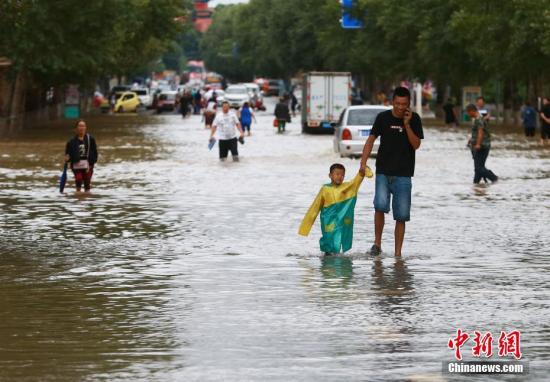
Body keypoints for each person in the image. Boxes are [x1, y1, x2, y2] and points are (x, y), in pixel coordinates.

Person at [359, 86, 424, 257]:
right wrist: (363, 162)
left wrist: (407, 125)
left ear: (409, 103)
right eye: (397, 103)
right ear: (392, 102)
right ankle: (377, 244)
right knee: (379, 206)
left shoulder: (415, 119)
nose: (400, 107)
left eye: (404, 104)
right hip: (383, 172)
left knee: (401, 215)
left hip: (404, 174)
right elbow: (371, 140)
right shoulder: (382, 118)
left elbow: (416, 145)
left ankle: (397, 254)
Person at [299, 163, 373, 255]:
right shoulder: (325, 189)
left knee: (340, 240)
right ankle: (327, 256)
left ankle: (337, 258)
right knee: (328, 239)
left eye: (342, 175)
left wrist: (363, 171)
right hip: (328, 221)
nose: (340, 177)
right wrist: (306, 226)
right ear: (330, 175)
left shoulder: (347, 187)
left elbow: (356, 182)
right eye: (337, 174)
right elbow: (315, 206)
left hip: (342, 221)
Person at [466, 104, 498, 184]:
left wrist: (478, 144)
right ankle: (476, 185)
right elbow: (476, 133)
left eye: (468, 112)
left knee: (479, 168)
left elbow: (481, 133)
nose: (468, 114)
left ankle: (494, 178)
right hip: (480, 145)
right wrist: (471, 140)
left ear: (472, 111)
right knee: (479, 168)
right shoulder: (478, 118)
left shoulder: (479, 119)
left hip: (482, 146)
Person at [64, 119, 98, 193]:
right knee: (78, 179)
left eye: (83, 126)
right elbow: (67, 154)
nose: (81, 128)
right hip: (76, 164)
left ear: (85, 128)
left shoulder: (90, 139)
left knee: (87, 183)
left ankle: (86, 197)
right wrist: (67, 158)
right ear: (76, 128)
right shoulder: (71, 141)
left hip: (88, 165)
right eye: (80, 126)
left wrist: (92, 162)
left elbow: (95, 152)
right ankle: (78, 194)